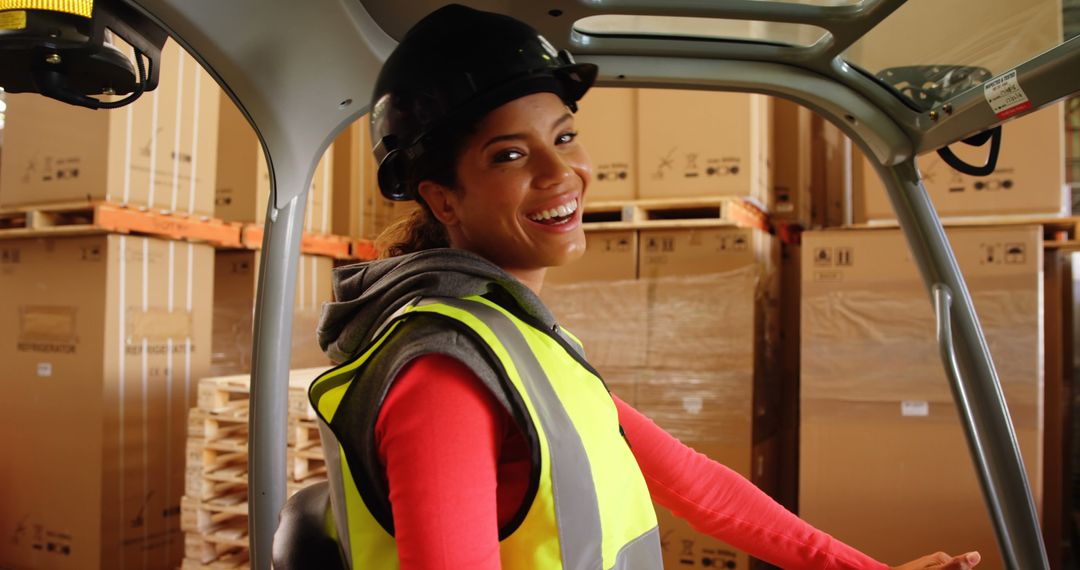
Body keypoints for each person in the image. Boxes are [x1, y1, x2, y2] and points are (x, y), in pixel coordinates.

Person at [312, 5, 983, 569]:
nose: (561, 173)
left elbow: (695, 484)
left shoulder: (516, 341)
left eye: (565, 136)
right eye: (509, 155)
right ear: (444, 199)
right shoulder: (443, 372)